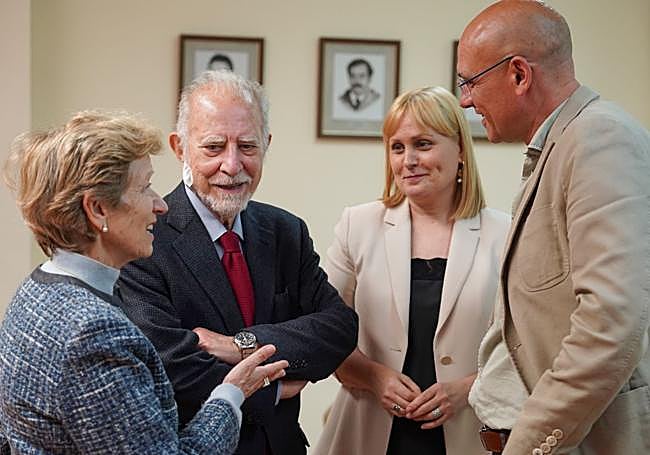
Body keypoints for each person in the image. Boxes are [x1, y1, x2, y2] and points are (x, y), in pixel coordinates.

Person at [0, 111, 288, 454]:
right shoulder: (93, 332)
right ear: (97, 209)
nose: (160, 205)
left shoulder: (34, 290)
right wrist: (231, 394)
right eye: (144, 187)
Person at [117, 70, 359, 455]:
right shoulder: (145, 239)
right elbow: (168, 363)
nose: (232, 165)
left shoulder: (286, 231)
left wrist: (240, 346)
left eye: (247, 146)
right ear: (180, 148)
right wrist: (272, 389)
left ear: (267, 144)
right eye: (214, 147)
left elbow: (339, 329)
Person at [456, 1, 650, 454]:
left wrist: (528, 445)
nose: (465, 100)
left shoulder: (599, 138)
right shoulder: (564, 143)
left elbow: (609, 324)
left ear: (519, 75)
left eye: (470, 82)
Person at [314, 86, 510, 455]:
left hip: (469, 434)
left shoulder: (505, 234)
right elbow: (323, 332)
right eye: (397, 147)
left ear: (460, 150)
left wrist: (467, 388)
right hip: (367, 432)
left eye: (423, 144)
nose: (409, 160)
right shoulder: (358, 225)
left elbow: (526, 349)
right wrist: (374, 377)